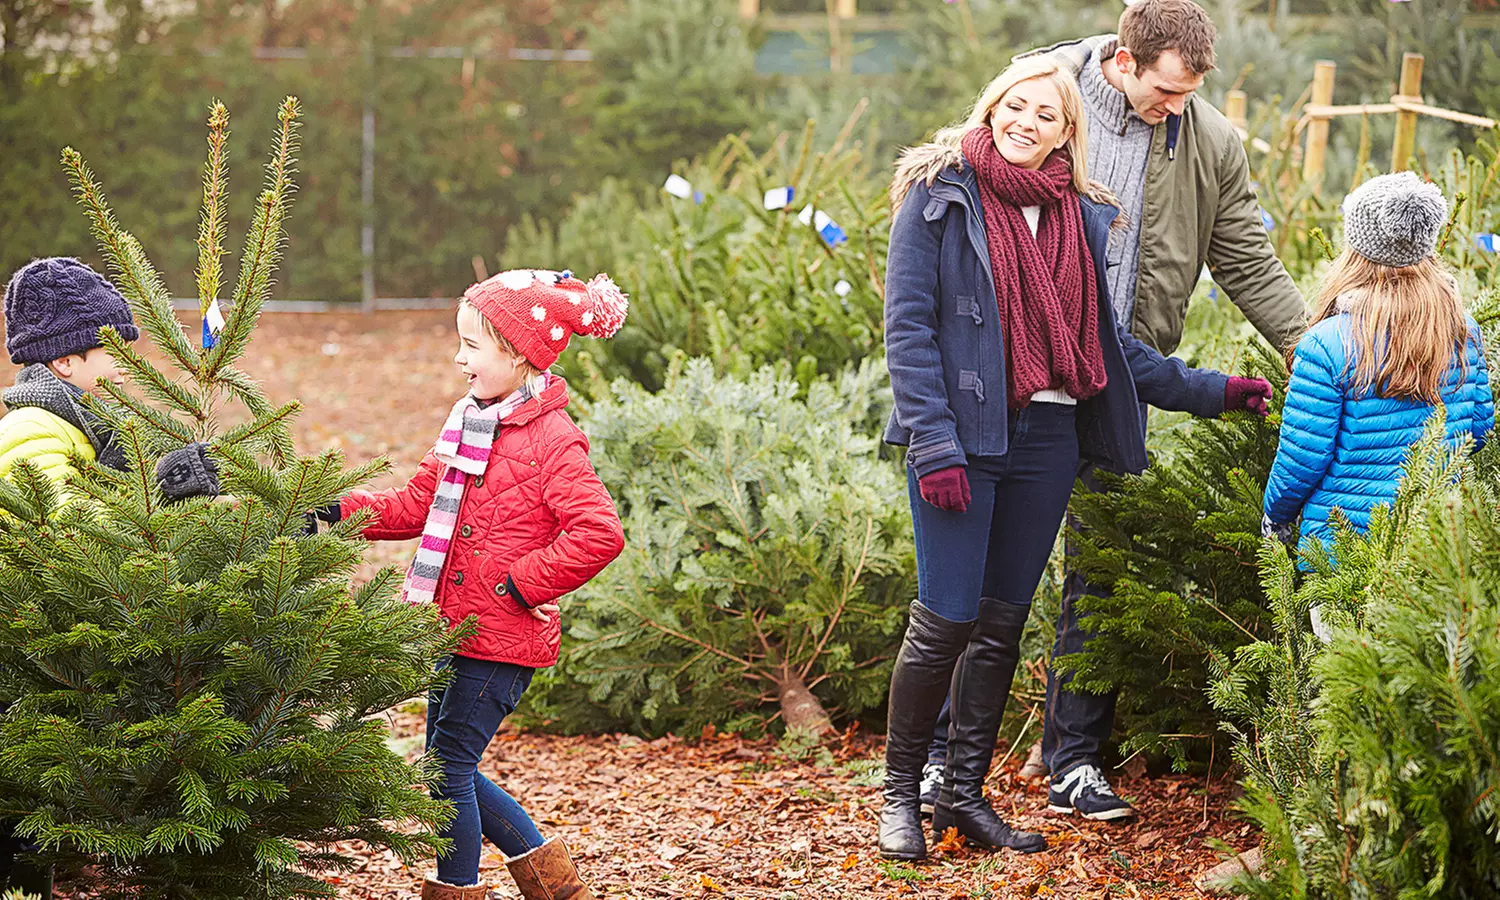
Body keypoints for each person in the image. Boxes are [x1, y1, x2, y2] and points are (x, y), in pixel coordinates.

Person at [920, 0, 1310, 823]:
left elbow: (1245, 251)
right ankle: (940, 763)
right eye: (1167, 91)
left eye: (1191, 94)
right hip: (1017, 383)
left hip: (1121, 377)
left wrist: (1310, 344)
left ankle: (1073, 761)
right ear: (1125, 62)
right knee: (986, 587)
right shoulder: (1042, 94)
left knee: (1100, 570)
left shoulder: (1208, 141)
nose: (1179, 108)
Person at [318, 269, 626, 900]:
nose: (459, 358)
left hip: (501, 638)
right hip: (452, 628)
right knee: (445, 765)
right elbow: (414, 504)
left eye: (472, 345)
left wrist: (519, 586)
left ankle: (455, 889)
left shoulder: (552, 440)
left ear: (518, 353)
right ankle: (556, 887)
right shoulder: (468, 422)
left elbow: (600, 533)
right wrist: (334, 511)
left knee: (448, 768)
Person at [0, 258, 222, 898]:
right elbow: (55, 522)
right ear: (66, 360)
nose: (125, 362)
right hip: (28, 635)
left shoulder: (81, 424)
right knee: (24, 768)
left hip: (60, 631)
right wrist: (149, 496)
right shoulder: (31, 425)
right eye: (110, 348)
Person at [1263, 172, 1493, 635]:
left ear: (1356, 251)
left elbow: (1303, 458)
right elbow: (1479, 428)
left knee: (1347, 684)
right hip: (1431, 546)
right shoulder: (1462, 331)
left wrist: (1276, 516)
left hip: (1340, 554)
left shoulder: (1328, 344)